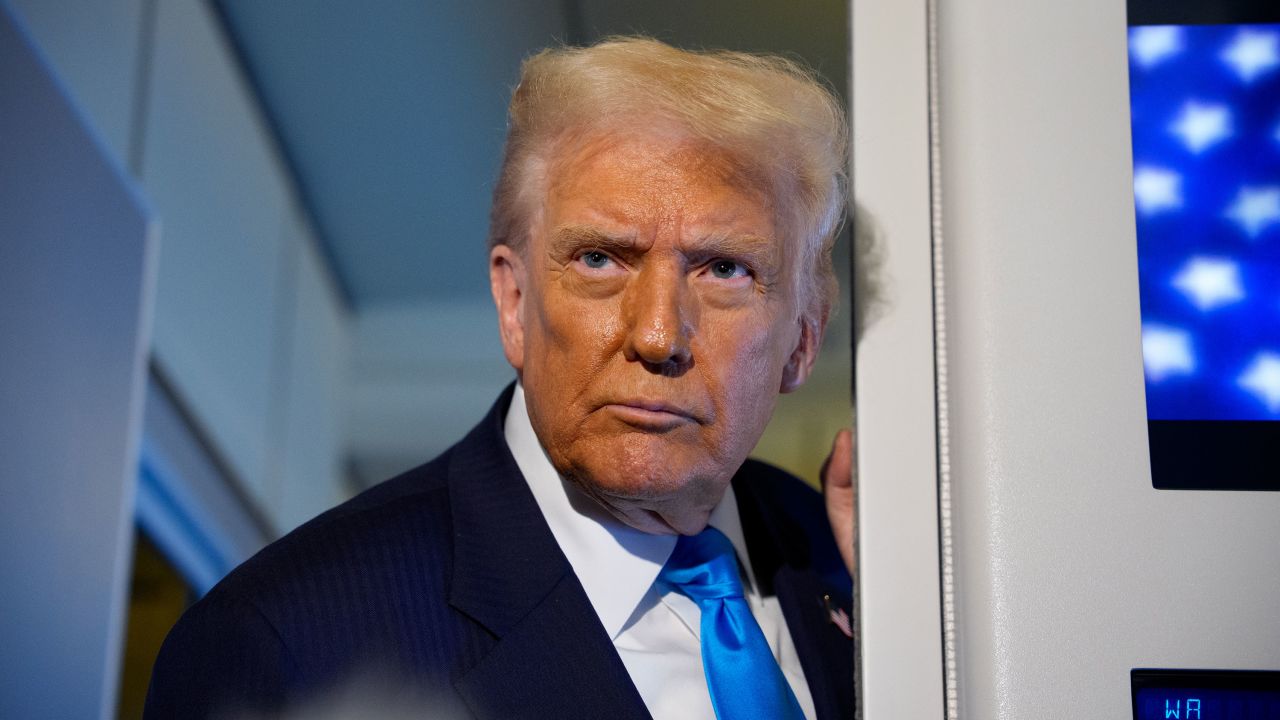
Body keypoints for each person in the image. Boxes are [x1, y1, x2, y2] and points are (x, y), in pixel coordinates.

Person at [145, 36, 855, 720]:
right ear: (515, 304)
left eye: (725, 270)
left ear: (803, 337)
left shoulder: (856, 563)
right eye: (601, 260)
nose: (657, 334)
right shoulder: (283, 647)